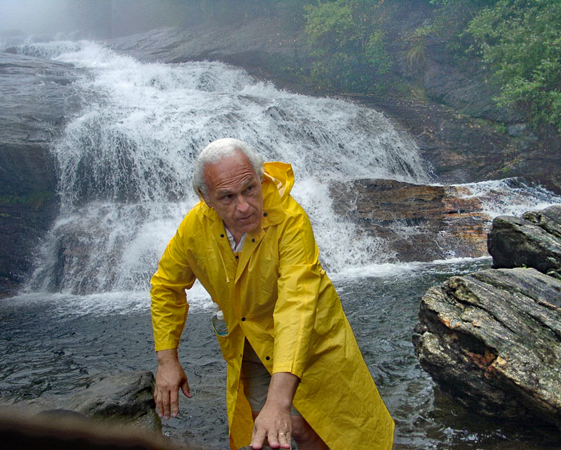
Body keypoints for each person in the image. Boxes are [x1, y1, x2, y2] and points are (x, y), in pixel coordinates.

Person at [151, 138, 394, 450]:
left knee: (321, 431)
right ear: (206, 197)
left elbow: (297, 306)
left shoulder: (290, 220)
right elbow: (166, 285)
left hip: (314, 340)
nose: (243, 206)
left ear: (261, 176)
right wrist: (167, 359)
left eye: (250, 189)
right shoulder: (194, 228)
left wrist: (279, 403)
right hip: (250, 342)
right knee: (263, 431)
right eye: (227, 197)